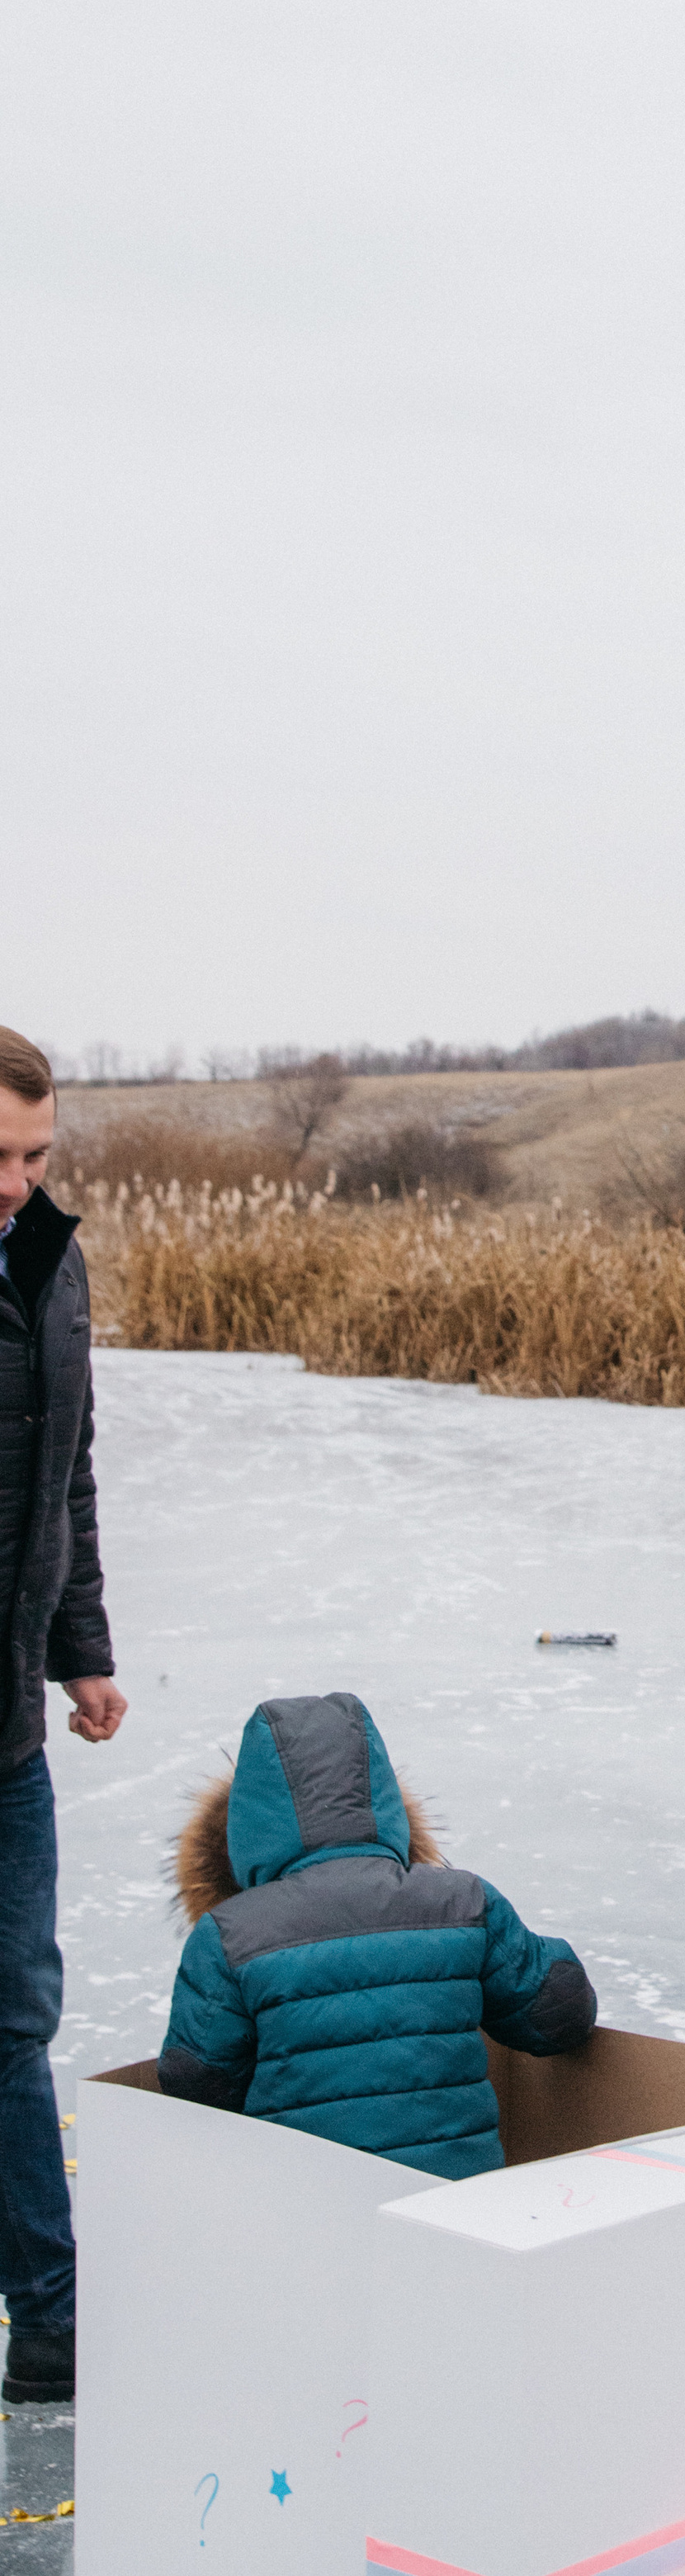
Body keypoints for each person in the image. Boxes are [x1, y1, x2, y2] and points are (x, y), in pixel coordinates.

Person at [158, 1691, 598, 2176]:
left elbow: (196, 2085)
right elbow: (558, 2016)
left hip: (303, 2201)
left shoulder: (229, 1934)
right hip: (454, 2199)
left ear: (250, 1815)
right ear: (381, 1792)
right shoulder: (464, 1902)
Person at [0, 1029, 123, 2409]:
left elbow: (68, 1477)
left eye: (38, 1155)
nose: (20, 1183)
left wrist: (79, 1651)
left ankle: (49, 2310)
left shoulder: (51, 1263)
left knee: (17, 2006)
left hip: (8, 1726)